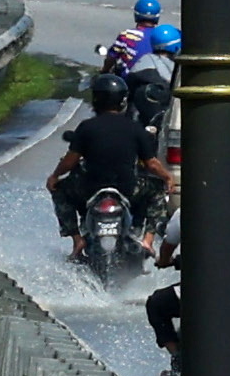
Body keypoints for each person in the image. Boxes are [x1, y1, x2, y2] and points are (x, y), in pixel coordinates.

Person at [48, 85, 174, 251]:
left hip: (89, 189)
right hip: (128, 188)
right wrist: (167, 177)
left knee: (59, 191)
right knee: (157, 190)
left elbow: (70, 162)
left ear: (95, 101)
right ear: (123, 102)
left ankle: (77, 240)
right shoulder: (135, 128)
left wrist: (54, 177)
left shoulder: (87, 127)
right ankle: (148, 240)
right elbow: (151, 164)